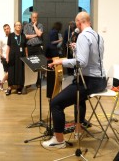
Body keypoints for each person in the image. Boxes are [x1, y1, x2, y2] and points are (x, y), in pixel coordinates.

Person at [42, 12, 107, 148]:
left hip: (89, 81)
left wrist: (61, 61)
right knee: (79, 98)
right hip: (101, 81)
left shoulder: (83, 36)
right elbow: (93, 58)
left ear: (78, 22)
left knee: (56, 103)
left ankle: (59, 140)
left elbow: (82, 62)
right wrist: (78, 48)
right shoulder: (99, 36)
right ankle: (78, 129)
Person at [5, 21, 27, 95]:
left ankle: (19, 87)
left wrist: (27, 57)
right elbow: (8, 47)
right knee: (11, 72)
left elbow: (25, 47)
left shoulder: (23, 36)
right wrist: (7, 57)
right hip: (12, 57)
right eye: (17, 25)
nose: (18, 26)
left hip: (21, 58)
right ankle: (9, 88)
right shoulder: (10, 35)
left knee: (20, 72)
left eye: (20, 25)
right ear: (14, 27)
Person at [23, 12, 43, 87]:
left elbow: (39, 34)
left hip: (38, 47)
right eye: (33, 17)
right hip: (29, 47)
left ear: (37, 18)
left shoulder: (40, 25)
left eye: (36, 17)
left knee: (38, 65)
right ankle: (30, 82)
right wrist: (35, 35)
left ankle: (38, 82)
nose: (34, 19)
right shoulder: (26, 26)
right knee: (30, 65)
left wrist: (34, 26)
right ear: (30, 17)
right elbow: (26, 36)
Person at [0, 24, 11, 91]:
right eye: (5, 29)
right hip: (4, 57)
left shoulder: (13, 36)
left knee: (11, 71)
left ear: (10, 28)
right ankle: (8, 86)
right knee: (7, 72)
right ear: (4, 30)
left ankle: (1, 82)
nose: (6, 30)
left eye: (7, 28)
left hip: (12, 57)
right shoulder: (1, 38)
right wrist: (1, 56)